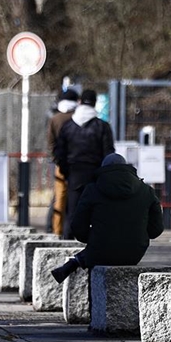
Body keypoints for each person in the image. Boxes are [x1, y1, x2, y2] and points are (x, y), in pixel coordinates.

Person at [51, 153, 164, 283]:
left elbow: (77, 227)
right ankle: (77, 261)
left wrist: (94, 238)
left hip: (99, 251)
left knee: (96, 254)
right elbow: (156, 230)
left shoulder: (92, 190)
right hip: (134, 253)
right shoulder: (146, 191)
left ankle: (76, 264)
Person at [54, 89, 115, 239]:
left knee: (72, 211)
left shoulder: (68, 126)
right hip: (95, 174)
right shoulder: (102, 126)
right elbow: (109, 153)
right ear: (95, 103)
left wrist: (65, 171)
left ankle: (68, 243)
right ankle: (93, 244)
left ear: (80, 102)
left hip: (73, 173)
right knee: (95, 212)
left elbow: (59, 152)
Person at [47, 89, 79, 235]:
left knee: (59, 198)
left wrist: (57, 160)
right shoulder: (78, 118)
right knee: (77, 197)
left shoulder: (55, 119)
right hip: (79, 165)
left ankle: (57, 231)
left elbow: (51, 143)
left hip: (60, 164)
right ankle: (75, 231)